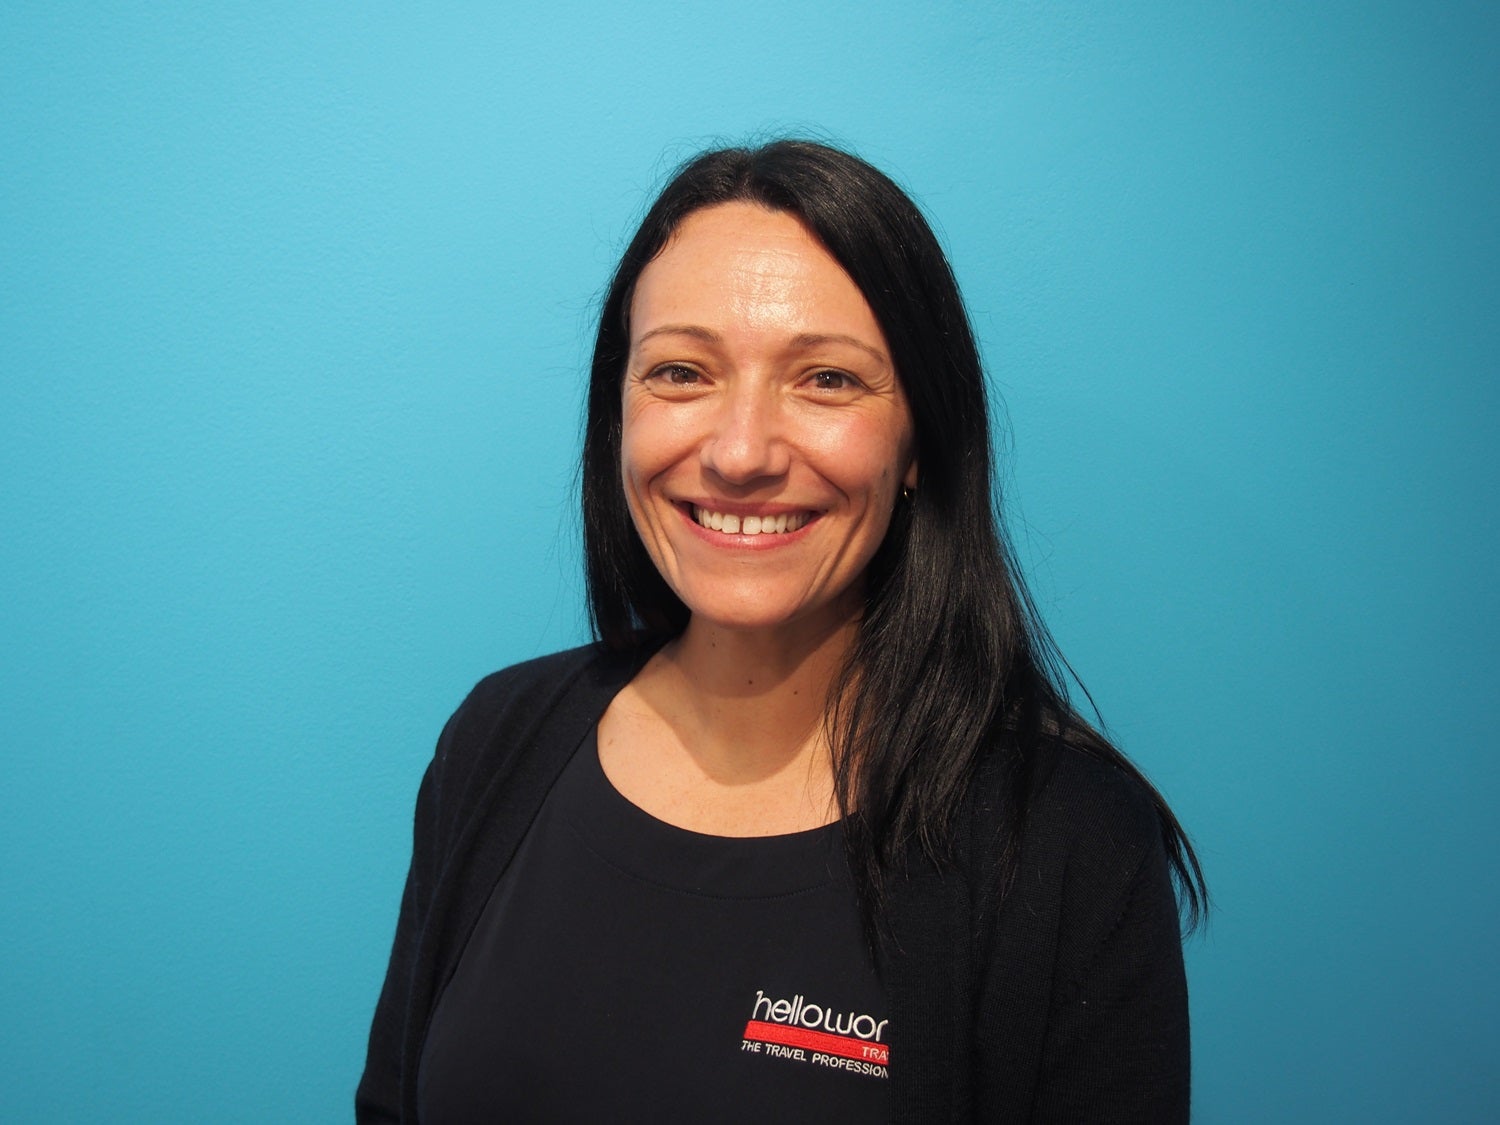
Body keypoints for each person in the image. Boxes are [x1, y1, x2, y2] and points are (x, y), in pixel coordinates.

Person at [357, 140, 1206, 1124]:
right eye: (682, 371)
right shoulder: (497, 739)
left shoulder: (1065, 841)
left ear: (919, 441)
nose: (740, 452)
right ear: (617, 412)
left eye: (827, 379)